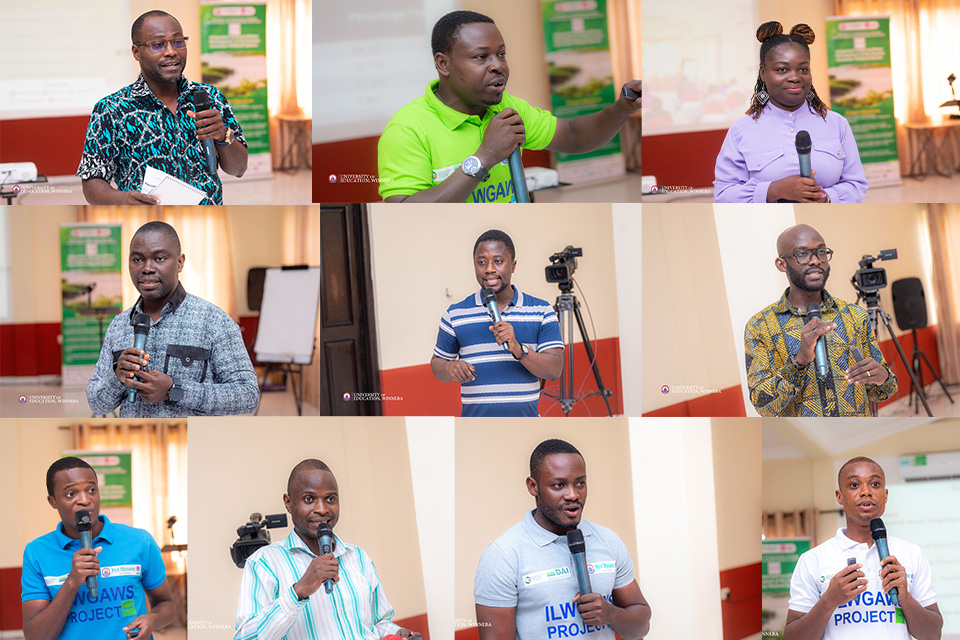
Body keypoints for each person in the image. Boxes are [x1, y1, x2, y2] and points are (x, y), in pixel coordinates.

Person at [378, 10, 642, 203]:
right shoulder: (406, 129)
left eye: (501, 54)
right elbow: (405, 212)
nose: (498, 65)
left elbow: (573, 135)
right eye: (481, 56)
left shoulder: (507, 106)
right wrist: (485, 157)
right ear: (443, 64)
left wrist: (622, 108)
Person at [474, 439, 651, 640]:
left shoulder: (608, 541)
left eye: (580, 483)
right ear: (533, 486)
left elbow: (641, 628)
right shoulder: (503, 555)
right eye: (559, 485)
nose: (573, 495)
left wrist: (611, 614)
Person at [86, 221, 259, 417]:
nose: (147, 268)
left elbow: (248, 396)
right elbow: (97, 404)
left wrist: (175, 389)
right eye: (137, 259)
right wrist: (116, 376)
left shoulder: (215, 321)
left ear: (180, 262)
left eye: (159, 258)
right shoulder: (118, 325)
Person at [78, 10, 248, 205]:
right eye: (158, 44)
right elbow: (92, 184)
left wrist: (223, 135)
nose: (171, 51)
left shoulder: (210, 97)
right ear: (136, 52)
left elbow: (239, 169)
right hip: (147, 216)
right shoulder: (111, 109)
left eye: (178, 41)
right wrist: (122, 199)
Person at [235, 459, 417, 640]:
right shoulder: (264, 563)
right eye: (309, 499)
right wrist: (299, 591)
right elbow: (245, 637)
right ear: (288, 502)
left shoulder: (359, 557)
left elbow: (377, 623)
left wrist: (396, 632)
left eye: (330, 499)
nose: (322, 509)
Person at [744, 224, 897, 416]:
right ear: (781, 264)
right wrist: (799, 361)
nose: (816, 260)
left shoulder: (855, 316)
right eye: (802, 254)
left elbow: (882, 391)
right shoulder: (760, 326)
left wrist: (882, 376)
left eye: (821, 252)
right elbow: (763, 406)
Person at [784, 457, 942, 640]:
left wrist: (905, 597)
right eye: (854, 485)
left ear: (885, 495)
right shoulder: (812, 560)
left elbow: (932, 635)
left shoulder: (911, 553)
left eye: (875, 484)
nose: (866, 492)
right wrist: (829, 600)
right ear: (839, 496)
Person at [21, 457, 175, 640]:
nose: (84, 500)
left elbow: (166, 604)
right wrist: (72, 582)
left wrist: (153, 620)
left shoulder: (140, 541)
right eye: (71, 494)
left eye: (91, 490)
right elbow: (35, 636)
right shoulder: (36, 553)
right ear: (53, 501)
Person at [714, 22, 867, 203]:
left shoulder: (837, 123)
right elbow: (724, 195)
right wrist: (773, 190)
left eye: (803, 69)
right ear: (763, 73)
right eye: (782, 69)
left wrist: (824, 197)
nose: (795, 77)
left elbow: (856, 185)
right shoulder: (741, 130)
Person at [431, 229, 563, 416]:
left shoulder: (542, 311)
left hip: (527, 424)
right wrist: (449, 368)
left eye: (498, 261)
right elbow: (437, 364)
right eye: (481, 262)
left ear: (513, 265)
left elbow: (554, 370)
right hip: (475, 426)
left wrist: (518, 349)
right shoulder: (455, 314)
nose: (489, 269)